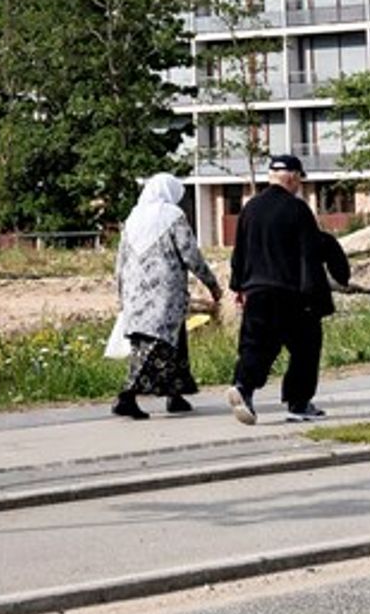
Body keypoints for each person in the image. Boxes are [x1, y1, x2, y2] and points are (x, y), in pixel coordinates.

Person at [224, 153, 349, 425]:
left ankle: (243, 387)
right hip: (291, 293)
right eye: (299, 179)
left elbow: (240, 252)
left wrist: (238, 287)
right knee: (306, 347)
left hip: (255, 290)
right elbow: (309, 254)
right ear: (292, 177)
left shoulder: (250, 209)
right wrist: (315, 296)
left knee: (256, 345)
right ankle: (299, 402)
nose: (299, 184)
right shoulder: (297, 209)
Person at [106, 172, 222, 420]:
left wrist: (122, 297)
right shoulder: (173, 216)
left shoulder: (133, 217)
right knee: (154, 346)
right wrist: (212, 284)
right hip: (164, 295)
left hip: (135, 294)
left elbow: (120, 263)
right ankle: (126, 396)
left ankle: (175, 395)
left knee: (172, 343)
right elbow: (191, 255)